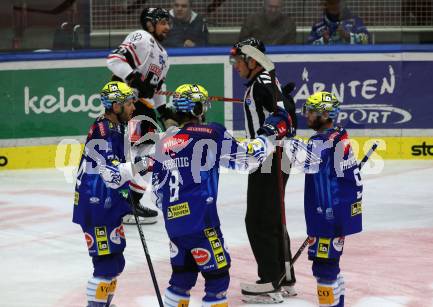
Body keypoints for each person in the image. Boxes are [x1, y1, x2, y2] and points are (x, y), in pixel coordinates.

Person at [139, 83, 293, 307]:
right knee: (217, 280)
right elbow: (248, 160)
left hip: (175, 227)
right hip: (203, 225)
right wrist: (269, 132)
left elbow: (155, 191)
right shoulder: (210, 133)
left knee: (182, 279)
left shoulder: (163, 142)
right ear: (198, 109)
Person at [229, 37, 298, 303]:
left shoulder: (264, 82)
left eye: (238, 60)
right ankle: (284, 277)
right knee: (271, 216)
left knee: (260, 220)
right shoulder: (263, 82)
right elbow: (283, 107)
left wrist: (266, 134)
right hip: (273, 157)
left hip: (271, 156)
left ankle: (270, 281)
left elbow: (284, 116)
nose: (235, 66)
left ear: (252, 61)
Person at [107, 7, 177, 225]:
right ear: (149, 24)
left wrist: (164, 111)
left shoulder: (163, 55)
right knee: (147, 153)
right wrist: (134, 77)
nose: (167, 27)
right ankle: (128, 204)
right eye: (163, 22)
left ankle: (126, 202)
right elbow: (114, 60)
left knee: (143, 154)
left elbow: (157, 88)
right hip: (126, 104)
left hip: (141, 107)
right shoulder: (142, 38)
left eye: (168, 23)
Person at [72, 81, 139, 307]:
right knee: (106, 264)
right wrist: (142, 165)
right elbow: (112, 172)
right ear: (115, 106)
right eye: (129, 103)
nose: (133, 108)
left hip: (106, 201)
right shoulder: (103, 131)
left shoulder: (116, 127)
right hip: (96, 202)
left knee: (115, 261)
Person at [300, 91, 363, 307]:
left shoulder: (321, 141)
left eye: (311, 111)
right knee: (331, 266)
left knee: (324, 269)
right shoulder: (339, 135)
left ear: (325, 114)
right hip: (339, 212)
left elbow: (304, 164)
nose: (307, 115)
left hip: (327, 215)